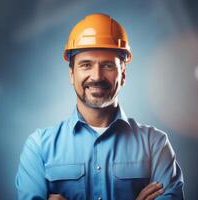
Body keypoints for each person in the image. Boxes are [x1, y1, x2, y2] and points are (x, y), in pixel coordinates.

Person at [15, 13, 184, 200]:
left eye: (108, 66)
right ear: (71, 74)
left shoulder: (155, 144)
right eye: (86, 65)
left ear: (123, 75)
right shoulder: (39, 147)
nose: (96, 76)